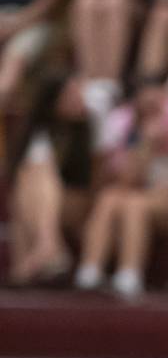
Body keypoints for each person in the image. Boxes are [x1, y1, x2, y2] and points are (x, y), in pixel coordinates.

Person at [74, 79, 168, 297]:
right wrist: (146, 146)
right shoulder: (125, 123)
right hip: (141, 192)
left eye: (156, 102)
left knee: (134, 204)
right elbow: (127, 180)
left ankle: (129, 275)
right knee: (109, 197)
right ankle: (90, 271)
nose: (151, 107)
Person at [6, 73, 110, 285]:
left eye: (77, 92)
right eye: (70, 94)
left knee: (36, 175)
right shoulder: (40, 133)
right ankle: (49, 251)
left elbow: (98, 176)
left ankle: (45, 250)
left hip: (85, 199)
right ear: (53, 102)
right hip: (50, 203)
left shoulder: (93, 123)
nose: (78, 97)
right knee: (28, 181)